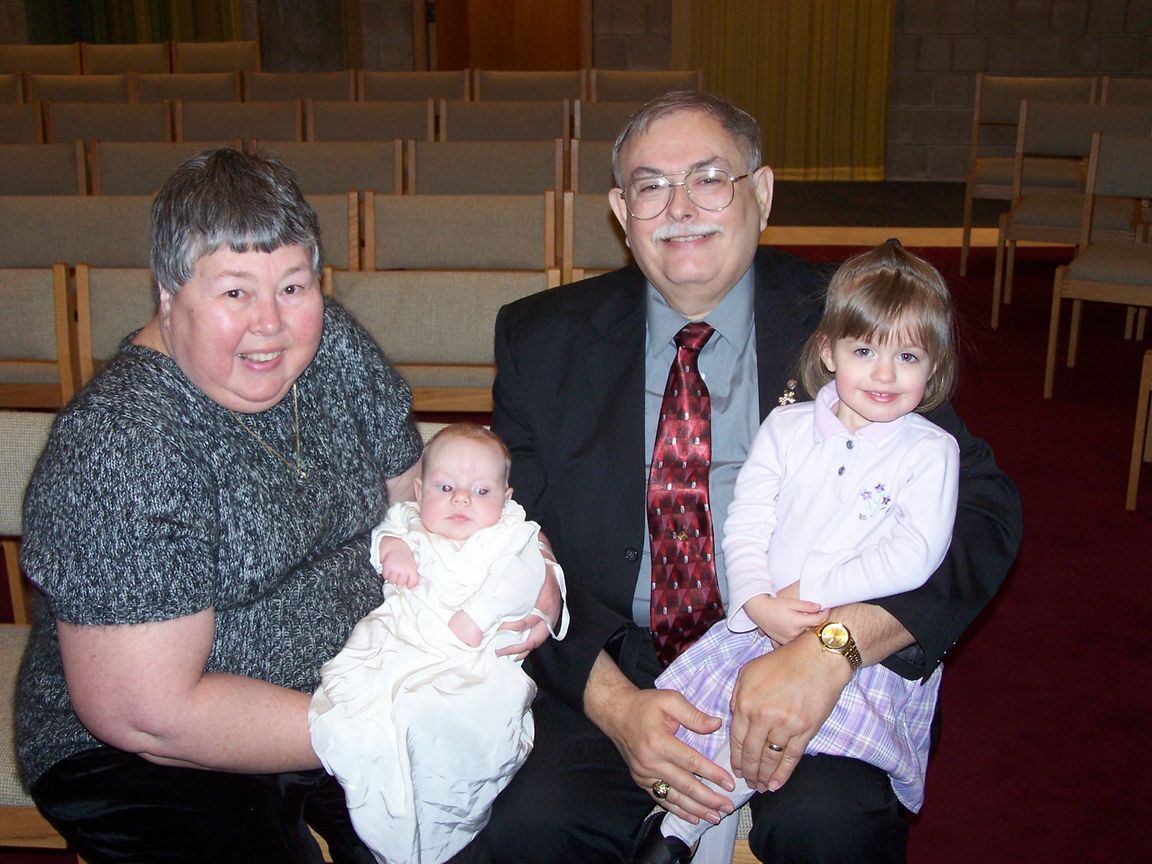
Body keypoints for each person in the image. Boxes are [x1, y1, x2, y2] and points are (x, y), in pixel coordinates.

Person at [449, 91, 1021, 863]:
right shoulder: (541, 337)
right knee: (529, 828)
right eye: (651, 186)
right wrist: (614, 705)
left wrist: (836, 647)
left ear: (762, 193)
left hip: (805, 639)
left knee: (832, 825)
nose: (680, 207)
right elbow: (510, 545)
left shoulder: (848, 320)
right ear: (622, 212)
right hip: (618, 658)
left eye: (710, 178)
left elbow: (984, 512)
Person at [13, 148, 558, 864]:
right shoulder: (122, 444)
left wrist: (525, 560)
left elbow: (420, 498)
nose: (270, 324)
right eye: (235, 292)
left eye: (293, 286)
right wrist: (389, 727)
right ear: (168, 293)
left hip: (365, 675)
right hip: (158, 761)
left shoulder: (332, 346)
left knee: (518, 832)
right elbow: (150, 716)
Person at [640, 241, 961, 859]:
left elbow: (915, 554)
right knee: (708, 723)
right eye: (864, 351)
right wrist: (756, 600)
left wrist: (811, 591)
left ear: (934, 366)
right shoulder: (786, 427)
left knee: (793, 736)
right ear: (828, 351)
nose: (885, 374)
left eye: (908, 356)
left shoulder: (929, 451)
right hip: (767, 622)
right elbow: (746, 522)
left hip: (852, 649)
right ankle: (682, 830)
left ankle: (686, 830)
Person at [310, 423, 568, 864]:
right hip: (404, 636)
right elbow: (384, 532)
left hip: (474, 656)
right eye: (445, 487)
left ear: (506, 498)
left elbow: (523, 578)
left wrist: (478, 615)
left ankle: (435, 823)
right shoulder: (408, 519)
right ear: (419, 490)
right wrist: (394, 551)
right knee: (365, 706)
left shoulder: (510, 533)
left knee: (461, 717)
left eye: (481, 491)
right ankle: (394, 818)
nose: (461, 499)